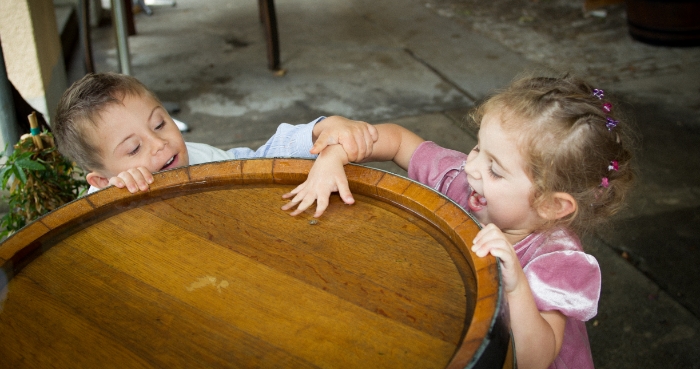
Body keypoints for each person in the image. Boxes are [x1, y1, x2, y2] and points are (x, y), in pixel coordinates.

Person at [283, 74, 634, 369]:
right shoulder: (461, 182)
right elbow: (399, 141)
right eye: (478, 148)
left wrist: (516, 287)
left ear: (552, 205)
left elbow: (534, 360)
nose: (472, 166)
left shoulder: (558, 260)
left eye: (495, 170)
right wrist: (337, 154)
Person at [53, 72, 377, 200]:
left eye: (160, 124)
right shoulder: (98, 206)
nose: (160, 144)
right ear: (101, 180)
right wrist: (119, 198)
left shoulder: (204, 161)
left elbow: (262, 161)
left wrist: (321, 130)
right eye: (134, 148)